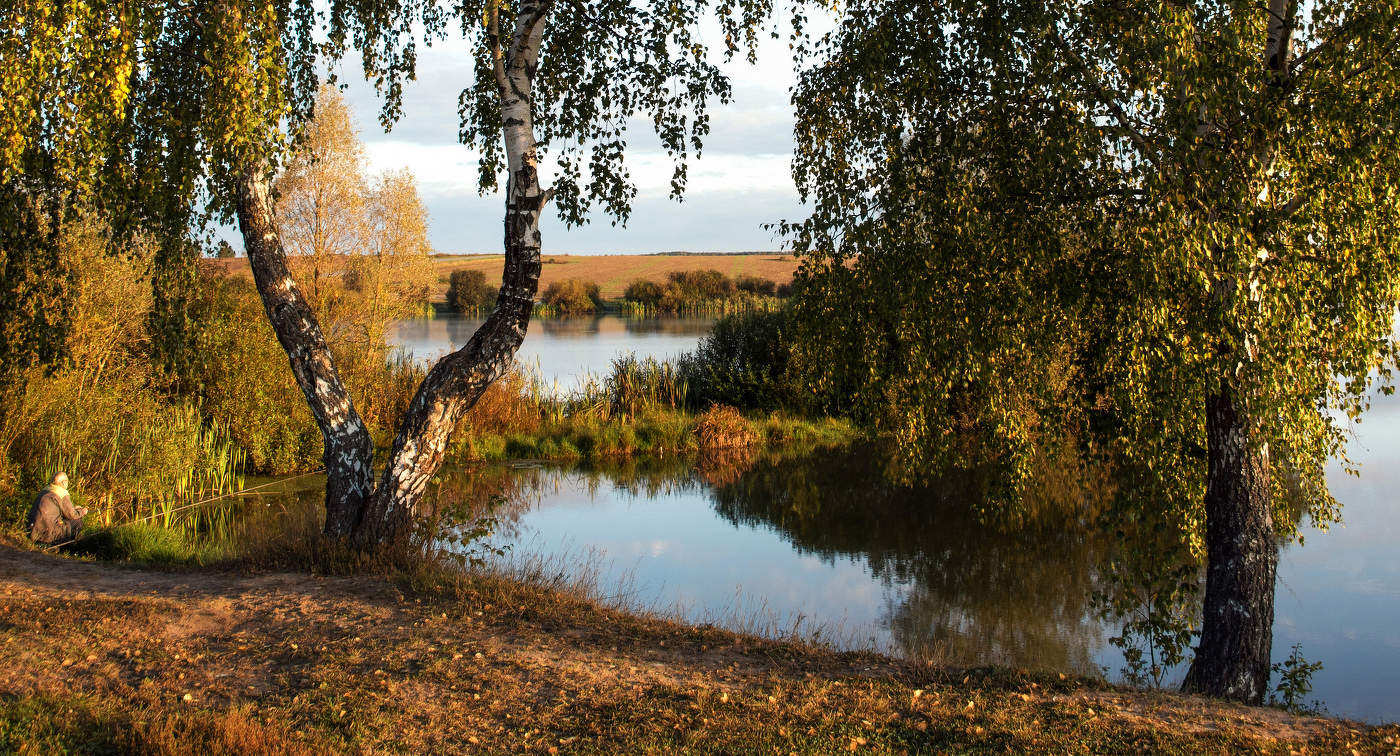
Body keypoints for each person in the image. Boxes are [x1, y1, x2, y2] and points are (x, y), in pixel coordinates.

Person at [27, 472, 88, 545]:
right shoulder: (61, 493)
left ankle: (39, 541)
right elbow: (72, 515)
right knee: (77, 521)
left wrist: (74, 509)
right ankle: (64, 546)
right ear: (63, 482)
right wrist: (82, 511)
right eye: (67, 481)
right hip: (48, 533)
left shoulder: (45, 490)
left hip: (33, 530)